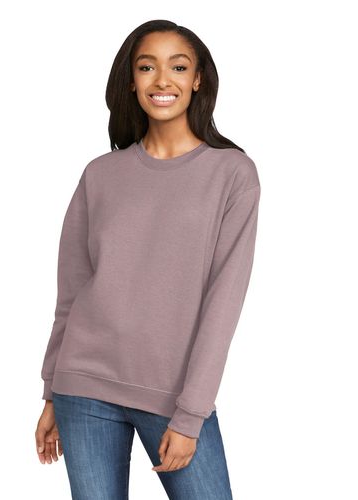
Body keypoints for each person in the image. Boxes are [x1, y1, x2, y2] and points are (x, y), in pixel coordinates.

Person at [34, 19, 261, 500]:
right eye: (146, 67)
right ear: (131, 81)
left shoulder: (232, 172)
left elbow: (224, 303)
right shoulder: (100, 174)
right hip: (83, 387)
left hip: (172, 395)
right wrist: (52, 390)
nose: (162, 80)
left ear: (197, 79)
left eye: (178, 67)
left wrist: (191, 413)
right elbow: (71, 293)